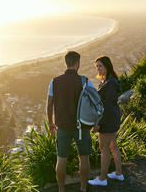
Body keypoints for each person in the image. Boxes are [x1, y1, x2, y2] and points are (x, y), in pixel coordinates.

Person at [47, 51, 95, 192]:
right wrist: (94, 122)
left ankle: (61, 190)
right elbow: (94, 102)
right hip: (82, 126)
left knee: (61, 159)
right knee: (84, 158)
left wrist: (51, 123)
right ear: (77, 63)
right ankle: (83, 188)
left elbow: (49, 104)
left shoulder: (54, 81)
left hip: (62, 126)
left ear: (66, 63)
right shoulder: (85, 81)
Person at [88, 56, 124, 186]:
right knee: (112, 145)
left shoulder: (110, 83)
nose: (98, 68)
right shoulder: (107, 81)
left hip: (108, 120)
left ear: (107, 66)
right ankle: (119, 173)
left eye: (100, 66)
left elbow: (107, 106)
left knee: (104, 148)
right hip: (111, 118)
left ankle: (102, 179)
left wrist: (99, 123)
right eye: (96, 66)